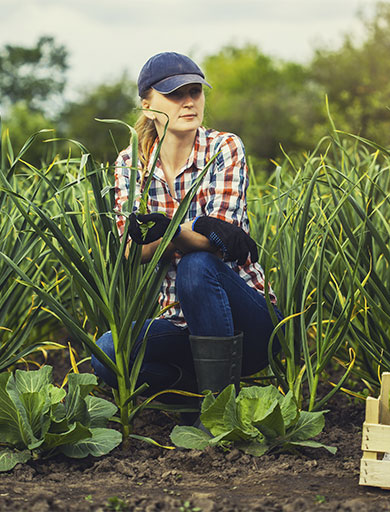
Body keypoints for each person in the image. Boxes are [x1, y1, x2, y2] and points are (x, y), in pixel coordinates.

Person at [91, 51, 281, 410]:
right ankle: (196, 394)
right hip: (180, 322)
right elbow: (132, 251)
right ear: (148, 106)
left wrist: (166, 230)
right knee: (107, 353)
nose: (189, 101)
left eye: (195, 91)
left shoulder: (224, 147)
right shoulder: (130, 163)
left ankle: (219, 410)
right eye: (175, 94)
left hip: (249, 324)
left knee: (197, 266)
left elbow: (222, 241)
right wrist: (194, 227)